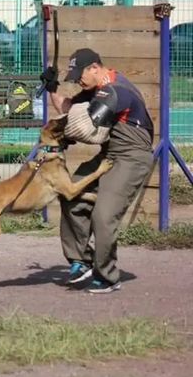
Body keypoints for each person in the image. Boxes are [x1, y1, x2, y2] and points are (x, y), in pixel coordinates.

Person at [43, 48, 154, 293]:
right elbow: (70, 107)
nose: (77, 81)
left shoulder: (116, 90)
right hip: (111, 154)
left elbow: (86, 129)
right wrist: (52, 88)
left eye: (79, 75)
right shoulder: (96, 89)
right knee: (70, 194)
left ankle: (108, 277)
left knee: (103, 216)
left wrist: (61, 134)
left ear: (95, 67)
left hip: (132, 158)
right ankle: (81, 261)